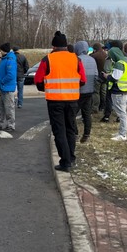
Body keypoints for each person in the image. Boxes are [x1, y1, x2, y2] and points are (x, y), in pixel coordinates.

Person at [34, 31, 86, 172]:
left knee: (59, 131)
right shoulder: (76, 59)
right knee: (70, 129)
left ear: (54, 46)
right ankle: (71, 158)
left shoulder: (48, 59)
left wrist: (47, 87)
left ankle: (65, 161)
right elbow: (83, 80)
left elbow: (38, 80)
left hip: (55, 101)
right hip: (73, 100)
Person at [105, 46, 127, 141]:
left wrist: (107, 76)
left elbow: (115, 77)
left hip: (118, 90)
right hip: (124, 90)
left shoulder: (119, 64)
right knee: (122, 111)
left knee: (121, 113)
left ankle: (123, 134)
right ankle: (122, 131)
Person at [74, 41, 98, 143]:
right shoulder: (92, 60)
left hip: (79, 91)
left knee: (72, 114)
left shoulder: (76, 59)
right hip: (90, 91)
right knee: (87, 113)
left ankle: (75, 133)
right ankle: (86, 134)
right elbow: (96, 75)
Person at [0, 43, 17, 132]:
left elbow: (11, 75)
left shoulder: (9, 60)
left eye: (0, 50)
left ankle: (11, 125)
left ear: (3, 50)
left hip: (7, 87)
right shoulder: (6, 59)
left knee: (9, 107)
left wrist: (2, 81)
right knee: (1, 107)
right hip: (4, 87)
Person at [90, 42, 108, 117]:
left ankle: (95, 108)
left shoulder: (94, 56)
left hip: (97, 76)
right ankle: (103, 106)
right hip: (105, 76)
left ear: (95, 49)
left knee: (96, 93)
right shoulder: (106, 55)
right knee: (103, 92)